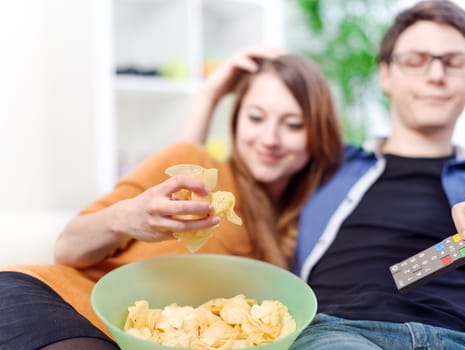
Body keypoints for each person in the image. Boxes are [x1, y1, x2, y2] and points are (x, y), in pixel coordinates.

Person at [0, 48, 343, 349]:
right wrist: (128, 218)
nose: (269, 138)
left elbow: (384, 269)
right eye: (255, 118)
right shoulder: (196, 168)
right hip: (51, 302)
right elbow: (67, 247)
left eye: (293, 124)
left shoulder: (307, 224)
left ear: (319, 133)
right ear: (236, 121)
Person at [290, 1, 465, 350]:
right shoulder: (326, 164)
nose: (435, 74)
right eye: (415, 60)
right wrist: (211, 97)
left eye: (454, 61)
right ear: (385, 75)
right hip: (343, 333)